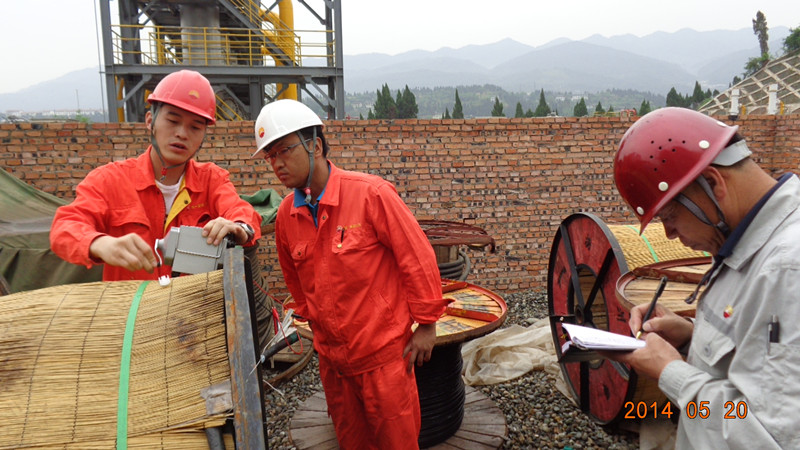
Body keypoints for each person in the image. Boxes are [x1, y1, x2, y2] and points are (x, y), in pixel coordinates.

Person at [252, 99, 449, 449]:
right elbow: (295, 278)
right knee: (352, 442)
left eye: (284, 150)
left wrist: (427, 325)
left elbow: (416, 257)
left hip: (384, 360)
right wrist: (314, 322)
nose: (277, 163)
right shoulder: (286, 216)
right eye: (270, 156)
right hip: (335, 366)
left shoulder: (371, 194)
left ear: (315, 146)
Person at [607, 107, 800, 448]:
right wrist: (690, 337)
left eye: (669, 215)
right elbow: (754, 358)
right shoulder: (744, 242)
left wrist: (670, 371)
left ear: (712, 183)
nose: (668, 233)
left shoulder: (787, 271)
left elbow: (763, 436)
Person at [50, 69, 262, 281]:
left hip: (191, 301)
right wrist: (100, 244)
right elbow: (64, 227)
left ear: (204, 136)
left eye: (195, 127)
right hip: (130, 302)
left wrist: (239, 228)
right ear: (150, 121)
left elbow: (242, 212)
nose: (182, 133)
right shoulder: (109, 180)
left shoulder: (211, 180)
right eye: (173, 121)